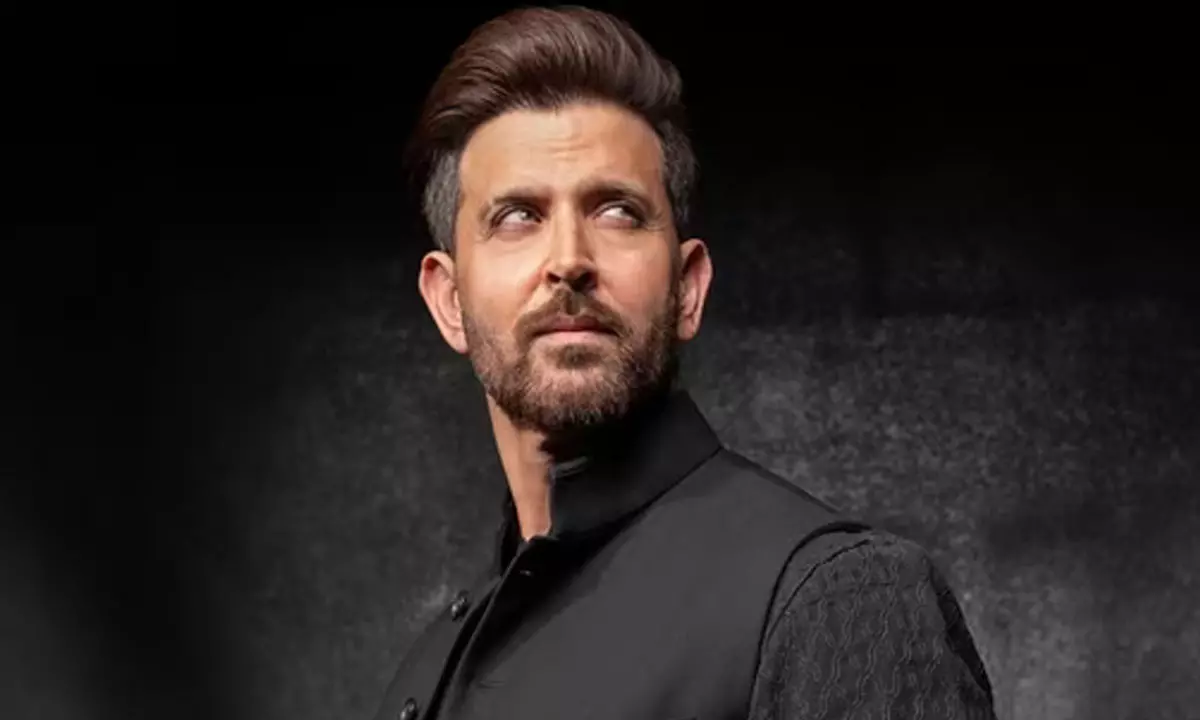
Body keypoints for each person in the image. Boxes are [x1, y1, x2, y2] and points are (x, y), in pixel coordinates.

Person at [375, 6, 996, 720]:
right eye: (518, 217)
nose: (569, 259)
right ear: (449, 301)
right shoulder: (429, 670)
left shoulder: (844, 601)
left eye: (617, 211)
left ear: (689, 287)